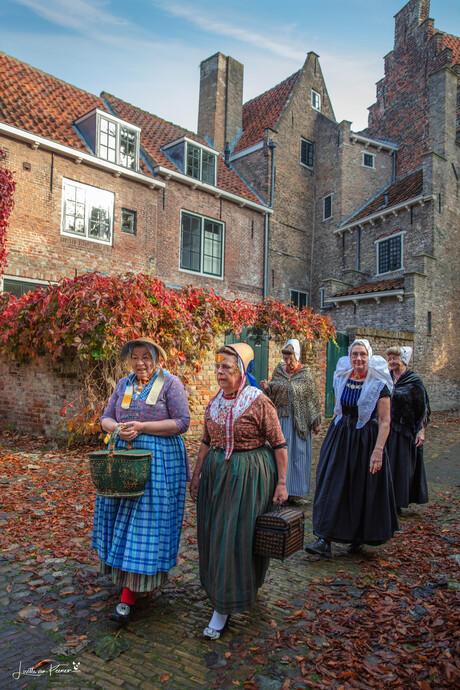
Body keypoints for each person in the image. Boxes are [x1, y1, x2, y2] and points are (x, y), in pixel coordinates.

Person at [190, 343, 288, 640]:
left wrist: (282, 483)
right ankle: (225, 590)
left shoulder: (258, 402)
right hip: (217, 477)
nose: (220, 372)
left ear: (242, 371)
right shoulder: (215, 401)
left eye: (227, 368)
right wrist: (196, 475)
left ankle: (225, 604)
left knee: (239, 536)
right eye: (217, 367)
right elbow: (206, 441)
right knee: (216, 535)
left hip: (249, 477)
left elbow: (280, 444)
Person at [92, 337, 191, 623]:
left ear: (157, 359)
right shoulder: (123, 385)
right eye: (135, 357)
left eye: (145, 357)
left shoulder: (170, 384)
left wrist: (143, 426)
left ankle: (129, 596)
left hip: (158, 462)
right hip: (124, 461)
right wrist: (118, 428)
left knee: (143, 525)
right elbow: (105, 418)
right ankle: (130, 583)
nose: (140, 363)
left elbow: (182, 422)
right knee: (120, 520)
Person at [306, 339, 398, 557]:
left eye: (362, 355)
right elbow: (339, 410)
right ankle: (324, 538)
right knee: (330, 482)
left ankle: (358, 536)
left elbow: (385, 420)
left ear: (369, 356)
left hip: (365, 440)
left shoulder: (379, 384)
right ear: (350, 356)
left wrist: (378, 451)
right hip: (340, 436)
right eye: (354, 354)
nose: (358, 359)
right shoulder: (342, 377)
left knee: (359, 487)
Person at [260, 338, 321, 503]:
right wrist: (268, 388)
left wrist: (316, 421)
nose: (288, 362)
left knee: (298, 456)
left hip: (300, 422)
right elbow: (274, 391)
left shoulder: (306, 374)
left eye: (291, 358)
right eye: (286, 358)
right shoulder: (279, 370)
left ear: (297, 355)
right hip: (282, 420)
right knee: (281, 454)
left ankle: (297, 493)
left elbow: (312, 398)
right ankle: (281, 490)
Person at [386, 346, 430, 512]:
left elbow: (423, 407)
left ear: (403, 359)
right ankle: (387, 499)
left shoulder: (413, 380)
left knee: (401, 466)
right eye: (390, 358)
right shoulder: (386, 377)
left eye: (395, 358)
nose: (392, 362)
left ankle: (398, 502)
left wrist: (421, 430)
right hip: (387, 428)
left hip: (405, 430)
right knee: (387, 465)